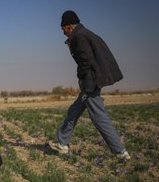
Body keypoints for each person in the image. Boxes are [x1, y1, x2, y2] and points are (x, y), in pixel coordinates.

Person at [48, 10, 131, 161]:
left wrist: (82, 77)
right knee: (74, 111)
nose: (62, 32)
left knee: (99, 117)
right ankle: (62, 142)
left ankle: (120, 152)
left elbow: (86, 61)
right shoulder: (84, 33)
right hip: (91, 80)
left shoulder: (80, 37)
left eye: (63, 28)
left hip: (90, 82)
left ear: (70, 26)